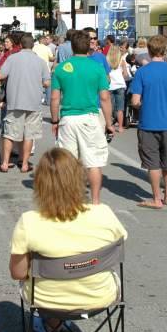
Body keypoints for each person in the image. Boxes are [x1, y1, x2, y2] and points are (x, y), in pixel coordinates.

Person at [9, 148, 127, 332]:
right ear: (79, 179)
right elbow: (120, 244)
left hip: (47, 301)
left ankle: (51, 327)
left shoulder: (29, 222)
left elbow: (18, 273)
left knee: (44, 276)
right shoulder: (103, 213)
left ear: (40, 184)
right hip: (99, 296)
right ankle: (58, 323)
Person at [50, 30, 111, 203]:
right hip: (90, 117)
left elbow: (54, 98)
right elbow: (105, 98)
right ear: (88, 46)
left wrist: (54, 120)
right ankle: (95, 201)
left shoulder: (61, 68)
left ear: (72, 46)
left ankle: (69, 197)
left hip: (68, 118)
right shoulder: (97, 68)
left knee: (68, 161)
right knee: (93, 162)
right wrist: (109, 122)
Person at [130, 35, 167, 209]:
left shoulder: (142, 72)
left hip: (147, 123)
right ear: (165, 50)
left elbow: (135, 101)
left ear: (149, 51)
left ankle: (157, 198)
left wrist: (145, 105)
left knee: (152, 163)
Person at [0, 33, 50, 173]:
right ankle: (25, 164)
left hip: (15, 101)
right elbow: (47, 82)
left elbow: (1, 75)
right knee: (29, 134)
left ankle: (4, 163)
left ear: (20, 45)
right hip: (33, 102)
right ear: (33, 46)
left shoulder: (12, 58)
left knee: (9, 133)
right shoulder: (41, 62)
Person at [107, 41, 129, 132]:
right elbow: (126, 74)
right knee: (120, 108)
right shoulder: (122, 61)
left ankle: (109, 125)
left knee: (110, 107)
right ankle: (120, 127)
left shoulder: (107, 60)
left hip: (110, 85)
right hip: (120, 85)